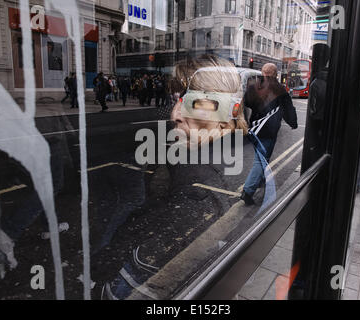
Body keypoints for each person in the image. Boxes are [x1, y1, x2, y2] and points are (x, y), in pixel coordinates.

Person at [101, 54, 249, 300]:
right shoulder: (234, 154)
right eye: (176, 100)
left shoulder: (201, 188)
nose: (174, 114)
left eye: (194, 102)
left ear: (228, 110)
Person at [241, 68, 298, 205]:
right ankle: (248, 191)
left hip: (254, 128)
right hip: (268, 131)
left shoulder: (255, 87)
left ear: (263, 72)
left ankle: (259, 181)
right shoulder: (280, 90)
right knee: (261, 161)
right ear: (275, 74)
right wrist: (293, 123)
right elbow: (288, 110)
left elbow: (246, 102)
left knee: (260, 157)